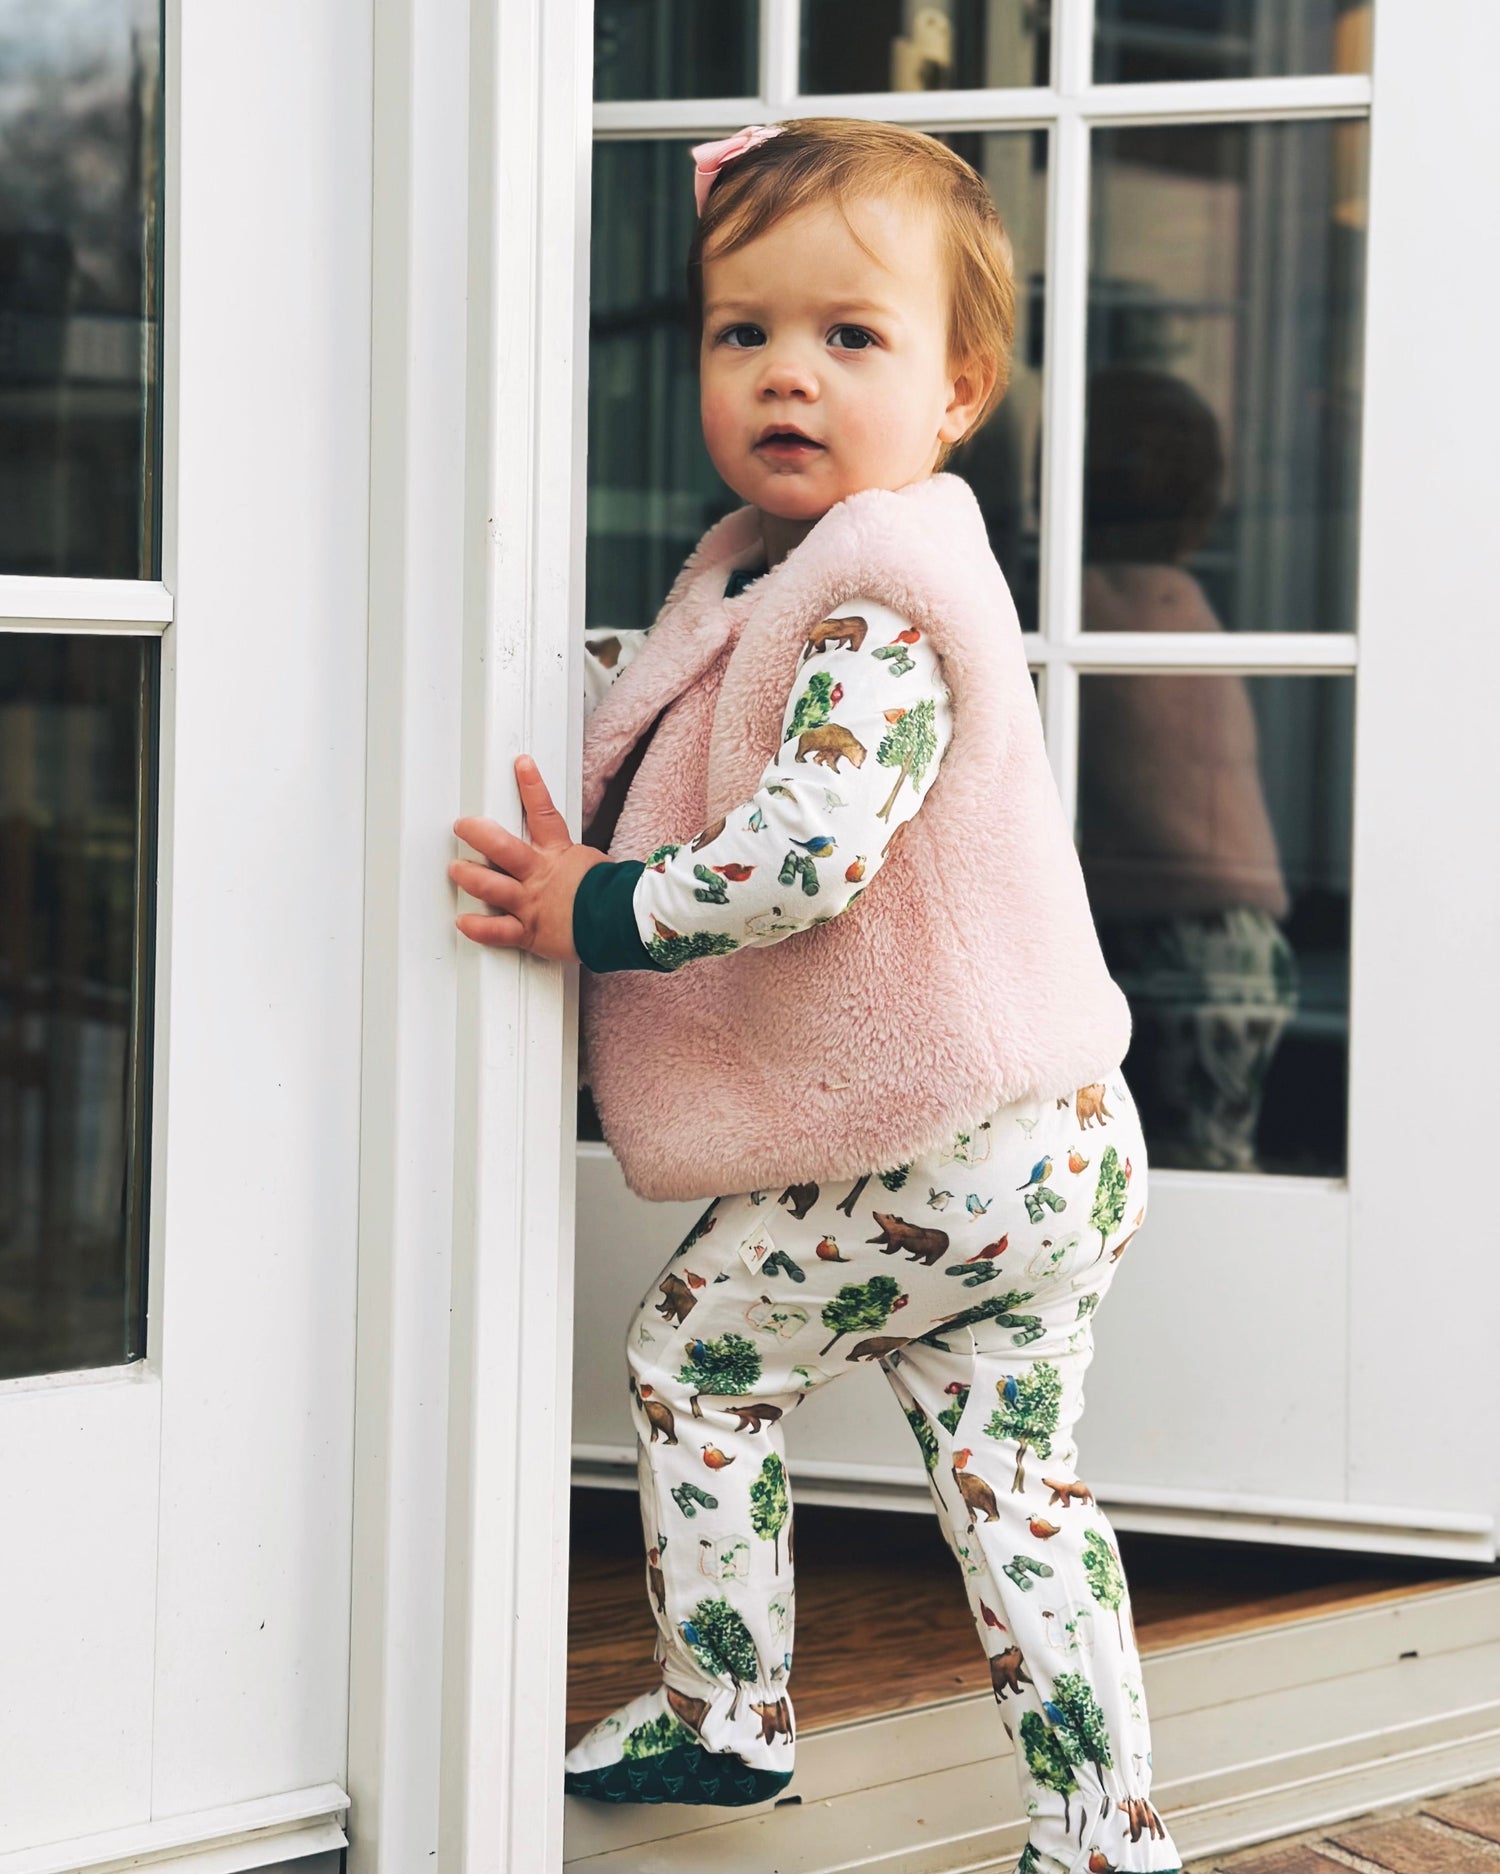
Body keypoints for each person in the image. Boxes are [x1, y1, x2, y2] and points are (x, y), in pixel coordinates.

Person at [449, 119, 1182, 1873]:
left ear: (958, 390)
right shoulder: (780, 571)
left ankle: (727, 1709)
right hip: (1057, 1139)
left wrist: (601, 903)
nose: (788, 371)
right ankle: (1104, 1831)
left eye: (851, 335)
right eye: (744, 331)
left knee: (695, 1362)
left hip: (938, 1138)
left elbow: (806, 849)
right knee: (1018, 1484)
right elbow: (698, 710)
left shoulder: (877, 608)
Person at [1078, 367, 1300, 1173]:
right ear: (1201, 516)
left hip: (1169, 928)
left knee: (1151, 1158)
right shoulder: (1185, 606)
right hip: (1245, 932)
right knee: (1204, 1157)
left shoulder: (1084, 607)